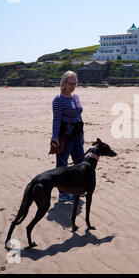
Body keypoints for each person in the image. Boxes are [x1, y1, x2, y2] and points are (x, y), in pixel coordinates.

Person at [51, 71, 85, 202]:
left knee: (80, 162)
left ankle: (76, 189)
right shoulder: (58, 100)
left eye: (75, 83)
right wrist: (55, 138)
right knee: (62, 164)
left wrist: (82, 135)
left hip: (76, 134)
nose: (73, 86)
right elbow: (56, 119)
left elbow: (79, 116)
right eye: (70, 83)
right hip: (64, 136)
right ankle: (63, 193)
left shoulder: (76, 97)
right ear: (64, 83)